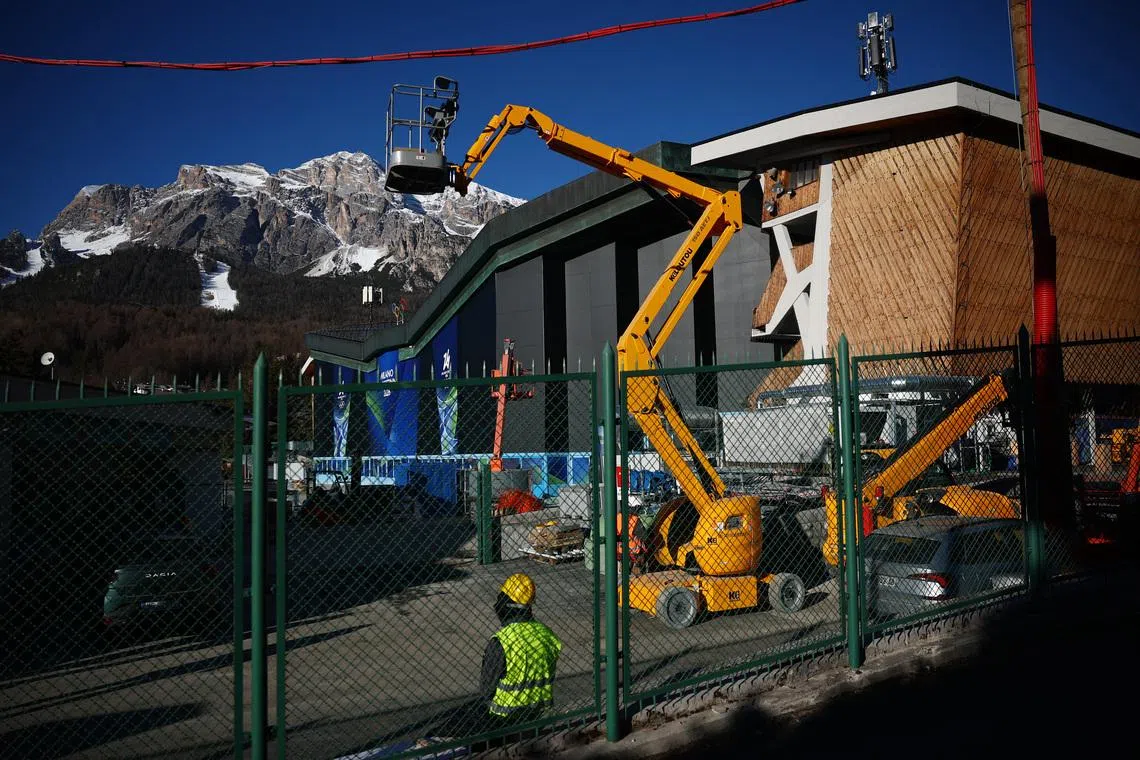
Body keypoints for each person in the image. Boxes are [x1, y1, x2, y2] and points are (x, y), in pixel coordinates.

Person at [479, 573, 563, 732]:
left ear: (506, 603)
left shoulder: (501, 642)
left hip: (504, 718)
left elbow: (486, 689)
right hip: (540, 713)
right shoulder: (548, 635)